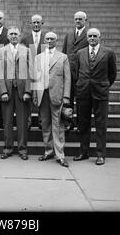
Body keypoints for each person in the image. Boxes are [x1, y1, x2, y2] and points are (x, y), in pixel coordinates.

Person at [73, 28, 117, 166]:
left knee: (101, 125)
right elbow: (75, 72)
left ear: (99, 37)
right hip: (83, 92)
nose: (92, 38)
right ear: (86, 38)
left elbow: (112, 73)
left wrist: (103, 85)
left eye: (94, 36)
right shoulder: (80, 53)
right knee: (83, 124)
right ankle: (83, 152)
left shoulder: (108, 53)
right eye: (90, 36)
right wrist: (81, 85)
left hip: (100, 92)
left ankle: (100, 154)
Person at [32, 32, 71, 168]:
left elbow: (67, 78)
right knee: (46, 125)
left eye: (52, 39)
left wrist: (66, 96)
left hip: (57, 96)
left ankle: (60, 155)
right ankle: (48, 151)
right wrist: (35, 96)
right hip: (43, 95)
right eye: (47, 39)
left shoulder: (63, 57)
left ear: (56, 40)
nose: (49, 41)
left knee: (58, 126)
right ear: (44, 40)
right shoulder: (38, 58)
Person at [0, 26, 31, 160]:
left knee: (22, 122)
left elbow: (31, 71)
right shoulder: (1, 51)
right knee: (7, 121)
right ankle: (8, 148)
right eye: (11, 34)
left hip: (22, 92)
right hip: (7, 91)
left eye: (16, 34)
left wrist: (28, 91)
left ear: (20, 35)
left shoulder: (26, 50)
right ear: (7, 36)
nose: (14, 36)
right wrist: (3, 91)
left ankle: (22, 149)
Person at [62, 11, 89, 131]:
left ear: (85, 20)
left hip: (82, 74)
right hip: (69, 73)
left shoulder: (89, 35)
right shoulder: (69, 35)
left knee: (81, 101)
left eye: (80, 19)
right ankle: (69, 123)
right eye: (76, 19)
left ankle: (80, 124)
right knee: (68, 100)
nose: (78, 21)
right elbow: (63, 54)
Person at [20, 14, 46, 130]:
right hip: (29, 73)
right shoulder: (25, 39)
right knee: (28, 96)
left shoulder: (46, 38)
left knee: (42, 96)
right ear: (31, 24)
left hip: (42, 73)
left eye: (38, 22)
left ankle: (41, 120)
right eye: (34, 22)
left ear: (42, 23)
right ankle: (28, 121)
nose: (36, 24)